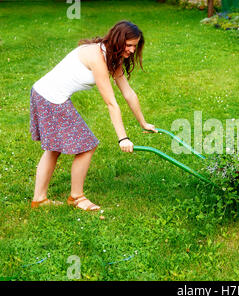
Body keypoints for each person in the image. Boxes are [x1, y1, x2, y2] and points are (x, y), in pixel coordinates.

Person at [29, 20, 157, 211]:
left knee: (54, 148)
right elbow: (111, 102)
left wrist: (143, 122)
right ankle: (77, 197)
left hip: (44, 92)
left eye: (134, 46)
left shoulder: (112, 56)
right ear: (117, 40)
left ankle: (39, 200)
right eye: (128, 45)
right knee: (87, 145)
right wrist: (123, 138)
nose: (131, 50)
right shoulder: (98, 57)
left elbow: (128, 93)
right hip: (50, 97)